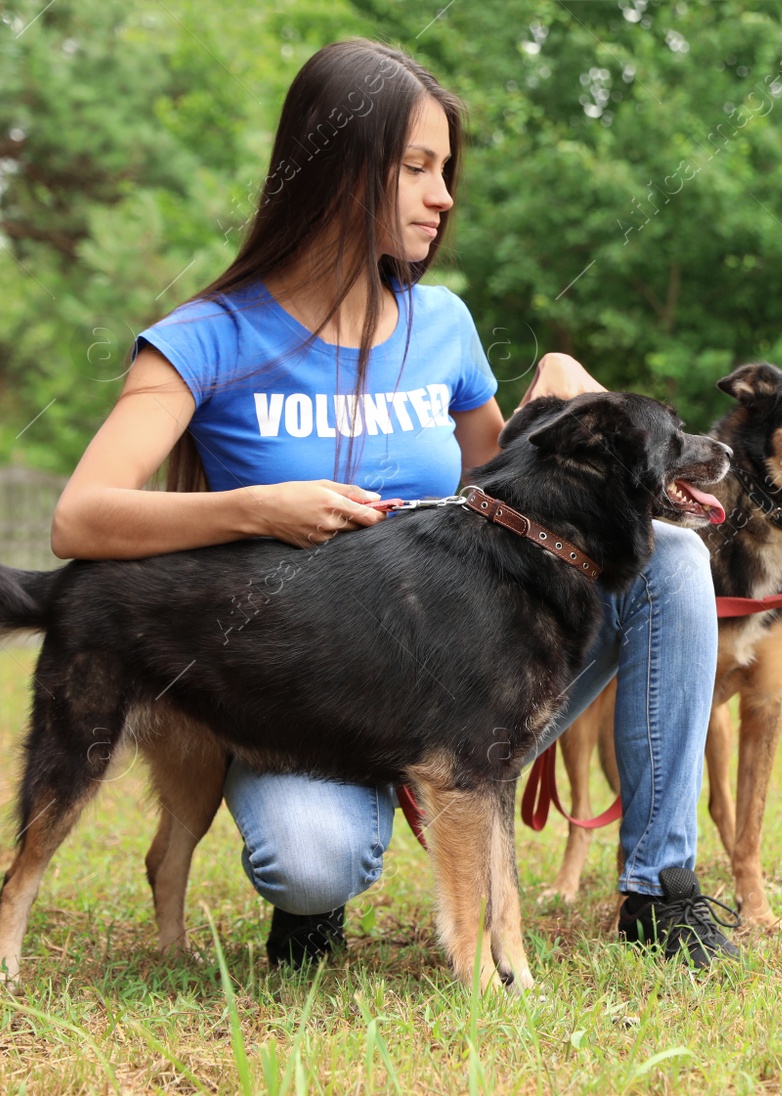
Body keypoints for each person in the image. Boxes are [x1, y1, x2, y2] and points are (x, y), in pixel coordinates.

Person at [51, 38, 739, 970]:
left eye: (444, 170)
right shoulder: (206, 338)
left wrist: (569, 409)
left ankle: (662, 890)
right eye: (416, 167)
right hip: (310, 682)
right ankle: (322, 887)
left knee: (676, 559)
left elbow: (504, 499)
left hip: (466, 678)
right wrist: (256, 509)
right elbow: (81, 517)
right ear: (336, 169)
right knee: (311, 864)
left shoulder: (442, 322)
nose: (443, 195)